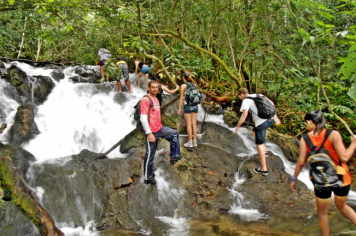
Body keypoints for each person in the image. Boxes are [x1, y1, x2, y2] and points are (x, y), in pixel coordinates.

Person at [291, 111, 356, 236]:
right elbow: (344, 158)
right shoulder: (333, 134)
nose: (306, 125)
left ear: (310, 121)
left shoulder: (304, 140)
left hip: (320, 181)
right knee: (342, 207)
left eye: (306, 123)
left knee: (323, 214)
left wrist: (294, 179)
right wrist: (353, 144)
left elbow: (300, 163)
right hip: (341, 179)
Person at [140, 80, 182, 185]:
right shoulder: (146, 100)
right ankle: (148, 178)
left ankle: (174, 156)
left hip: (160, 128)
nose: (155, 89)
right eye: (152, 87)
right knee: (150, 154)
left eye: (156, 87)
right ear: (149, 88)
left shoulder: (156, 99)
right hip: (152, 131)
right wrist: (149, 133)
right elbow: (143, 118)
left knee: (174, 134)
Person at [235, 87, 281, 175]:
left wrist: (238, 126)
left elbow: (245, 114)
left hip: (261, 123)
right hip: (270, 120)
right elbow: (272, 103)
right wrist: (276, 118)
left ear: (242, 94)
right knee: (254, 131)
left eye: (239, 96)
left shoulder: (246, 101)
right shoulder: (258, 95)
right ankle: (265, 152)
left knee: (259, 144)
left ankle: (264, 169)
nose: (240, 98)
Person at [178, 72, 199, 148]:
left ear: (184, 78)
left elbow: (182, 98)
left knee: (189, 124)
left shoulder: (183, 86)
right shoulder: (195, 85)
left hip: (188, 106)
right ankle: (195, 142)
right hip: (195, 106)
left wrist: (180, 108)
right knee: (194, 124)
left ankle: (190, 142)